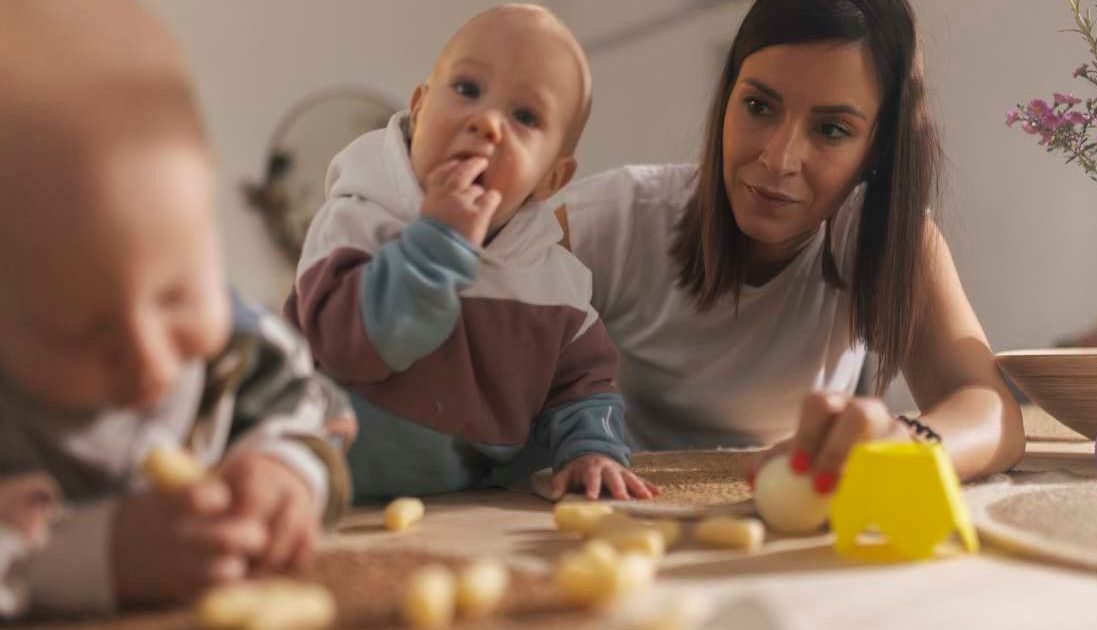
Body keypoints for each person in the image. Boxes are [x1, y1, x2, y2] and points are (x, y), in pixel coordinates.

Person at [555, 0, 1025, 490]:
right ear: (726, 96)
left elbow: (993, 414)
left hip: (792, 510)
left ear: (877, 149)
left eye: (831, 130)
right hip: (623, 506)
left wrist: (909, 443)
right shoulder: (608, 220)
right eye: (758, 106)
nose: (779, 159)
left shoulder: (887, 236)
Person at [0, 0, 355, 617]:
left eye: (177, 294)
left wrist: (286, 469)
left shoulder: (242, 344)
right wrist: (95, 555)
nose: (150, 362)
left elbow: (317, 413)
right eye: (80, 331)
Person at [287, 4, 657, 502]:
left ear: (551, 179)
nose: (487, 122)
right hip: (320, 480)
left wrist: (592, 448)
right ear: (418, 111)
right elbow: (347, 351)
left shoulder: (556, 286)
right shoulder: (356, 220)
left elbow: (584, 387)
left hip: (460, 505)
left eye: (525, 116)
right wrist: (439, 240)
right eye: (467, 89)